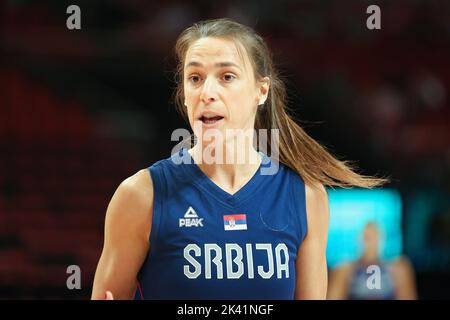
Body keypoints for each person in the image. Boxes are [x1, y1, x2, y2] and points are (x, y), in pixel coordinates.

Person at [91, 18, 388, 300]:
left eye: (227, 76)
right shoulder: (141, 195)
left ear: (261, 90)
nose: (207, 92)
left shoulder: (307, 197)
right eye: (195, 78)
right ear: (183, 94)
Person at [327, 222, 417, 300]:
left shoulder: (398, 269)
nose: (370, 242)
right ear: (359, 239)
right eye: (367, 237)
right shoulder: (344, 270)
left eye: (374, 237)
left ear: (382, 239)